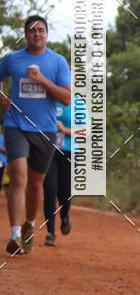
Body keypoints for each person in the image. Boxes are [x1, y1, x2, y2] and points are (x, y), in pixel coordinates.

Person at [0, 16, 71, 255]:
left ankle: (29, 225)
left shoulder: (58, 62)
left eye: (41, 30)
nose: (36, 34)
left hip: (45, 129)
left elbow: (66, 98)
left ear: (47, 34)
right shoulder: (12, 59)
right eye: (32, 30)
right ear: (26, 35)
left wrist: (42, 80)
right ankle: (14, 234)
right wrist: (2, 96)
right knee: (18, 178)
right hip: (16, 125)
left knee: (35, 184)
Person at [42, 101, 74, 246]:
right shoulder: (46, 102)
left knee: (65, 193)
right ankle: (50, 232)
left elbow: (86, 131)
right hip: (48, 151)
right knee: (50, 190)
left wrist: (64, 130)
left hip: (68, 152)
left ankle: (64, 216)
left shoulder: (77, 104)